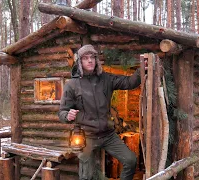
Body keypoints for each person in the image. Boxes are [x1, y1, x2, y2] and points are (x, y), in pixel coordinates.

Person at [58, 44, 141, 180]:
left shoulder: (106, 79)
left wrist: (141, 71)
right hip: (86, 136)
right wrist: (67, 115)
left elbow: (129, 82)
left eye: (92, 57)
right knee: (86, 176)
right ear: (80, 62)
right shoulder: (72, 85)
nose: (90, 60)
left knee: (130, 160)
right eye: (86, 58)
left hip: (108, 135)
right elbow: (61, 112)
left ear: (96, 60)